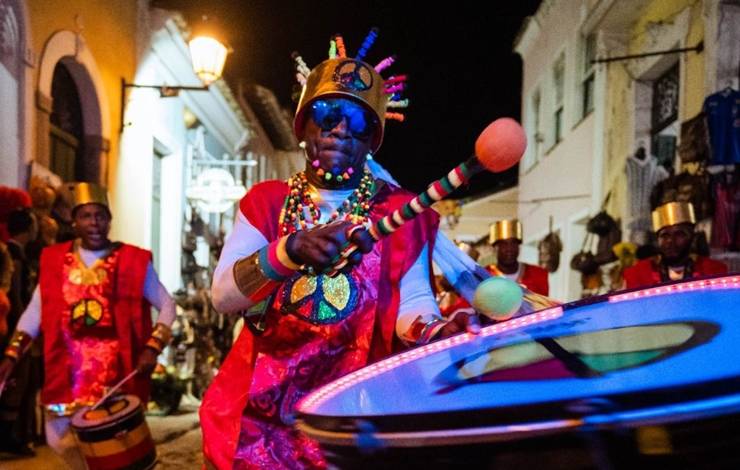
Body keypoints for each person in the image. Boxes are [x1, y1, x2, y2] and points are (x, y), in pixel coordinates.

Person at [200, 31, 479, 470]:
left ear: (373, 139)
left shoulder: (400, 210)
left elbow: (415, 304)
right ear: (303, 126)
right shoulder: (267, 201)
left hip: (356, 414)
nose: (340, 127)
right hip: (264, 412)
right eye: (326, 112)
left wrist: (435, 332)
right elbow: (222, 297)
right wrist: (288, 251)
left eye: (359, 120)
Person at [0, 182, 176, 469]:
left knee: (114, 450)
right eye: (86, 215)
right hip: (66, 371)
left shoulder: (133, 261)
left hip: (116, 376)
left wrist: (152, 348)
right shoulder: (55, 261)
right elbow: (35, 312)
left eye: (100, 215)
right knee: (59, 440)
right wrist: (12, 354)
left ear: (109, 220)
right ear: (74, 220)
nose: (94, 222)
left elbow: (167, 305)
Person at [0, 208, 38, 456]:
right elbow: (15, 293)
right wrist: (27, 324)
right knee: (15, 381)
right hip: (13, 327)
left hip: (13, 325)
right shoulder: (12, 254)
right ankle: (5, 436)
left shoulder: (17, 253)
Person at [623, 201, 728, 288]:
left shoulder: (714, 271)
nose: (670, 241)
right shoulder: (638, 273)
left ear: (692, 237)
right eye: (664, 235)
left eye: (679, 234)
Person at [486, 219, 549, 296]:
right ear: (495, 248)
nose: (509, 249)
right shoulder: (483, 276)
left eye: (513, 243)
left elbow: (545, 305)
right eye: (504, 244)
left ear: (519, 247)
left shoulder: (538, 274)